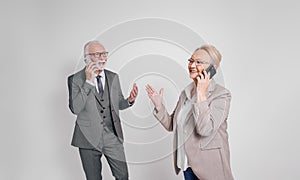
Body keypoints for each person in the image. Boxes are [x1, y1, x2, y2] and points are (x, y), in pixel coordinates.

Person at [146, 45, 234, 180]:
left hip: (210, 167)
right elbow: (172, 126)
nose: (192, 65)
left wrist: (201, 94)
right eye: (191, 60)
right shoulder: (186, 93)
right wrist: (159, 106)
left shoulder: (221, 95)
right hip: (186, 164)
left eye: (198, 62)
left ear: (212, 68)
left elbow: (205, 130)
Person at [67, 40, 138, 180]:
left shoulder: (113, 77)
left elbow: (118, 104)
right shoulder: (75, 79)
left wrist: (129, 100)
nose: (103, 57)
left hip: (112, 136)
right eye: (97, 54)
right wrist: (88, 82)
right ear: (86, 57)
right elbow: (75, 108)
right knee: (93, 178)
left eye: (104, 53)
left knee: (122, 176)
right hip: (87, 138)